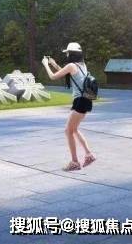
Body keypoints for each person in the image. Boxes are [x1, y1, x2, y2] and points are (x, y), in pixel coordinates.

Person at [41, 42, 96, 172]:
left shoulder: (71, 66)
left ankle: (75, 162)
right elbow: (68, 73)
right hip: (86, 100)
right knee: (74, 130)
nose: (66, 55)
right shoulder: (82, 65)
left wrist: (45, 65)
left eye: (67, 53)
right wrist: (54, 64)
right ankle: (89, 155)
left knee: (68, 131)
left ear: (71, 54)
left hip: (80, 101)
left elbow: (53, 77)